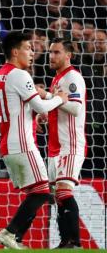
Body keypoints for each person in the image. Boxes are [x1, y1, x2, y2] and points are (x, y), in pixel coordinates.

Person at [0, 32, 68, 249]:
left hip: (8, 144)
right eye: (28, 48)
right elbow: (41, 107)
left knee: (37, 192)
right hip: (23, 143)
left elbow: (21, 104)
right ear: (15, 52)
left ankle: (13, 238)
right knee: (43, 191)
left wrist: (39, 107)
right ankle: (9, 233)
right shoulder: (19, 75)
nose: (32, 53)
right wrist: (60, 99)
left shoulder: (0, 75)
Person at [40, 38, 86, 248]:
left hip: (70, 145)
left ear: (68, 55)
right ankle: (65, 241)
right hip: (54, 147)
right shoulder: (57, 79)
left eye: (57, 52)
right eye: (50, 52)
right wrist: (44, 116)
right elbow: (58, 107)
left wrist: (48, 95)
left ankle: (75, 242)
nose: (52, 56)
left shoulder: (72, 77)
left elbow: (75, 108)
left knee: (64, 192)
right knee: (57, 196)